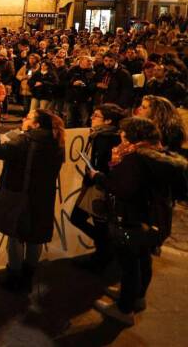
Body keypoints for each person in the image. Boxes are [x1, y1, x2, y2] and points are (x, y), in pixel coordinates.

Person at [88, 117, 188, 325]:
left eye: (124, 135)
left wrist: (99, 177)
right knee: (143, 259)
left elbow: (123, 189)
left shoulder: (135, 160)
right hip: (154, 221)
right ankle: (137, 297)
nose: (121, 138)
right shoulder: (162, 157)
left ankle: (124, 309)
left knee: (130, 266)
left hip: (132, 221)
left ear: (133, 138)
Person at [0, 107, 65, 292]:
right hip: (43, 197)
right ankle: (28, 278)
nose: (24, 119)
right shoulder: (57, 142)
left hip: (21, 194)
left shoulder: (25, 141)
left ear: (36, 124)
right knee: (35, 237)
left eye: (28, 117)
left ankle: (14, 277)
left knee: (15, 236)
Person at [70, 104, 125, 272]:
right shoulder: (107, 135)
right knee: (96, 221)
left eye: (96, 116)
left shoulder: (104, 138)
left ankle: (104, 253)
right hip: (102, 184)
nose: (92, 117)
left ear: (108, 120)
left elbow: (101, 163)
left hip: (99, 186)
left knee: (80, 218)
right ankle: (104, 251)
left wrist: (93, 177)